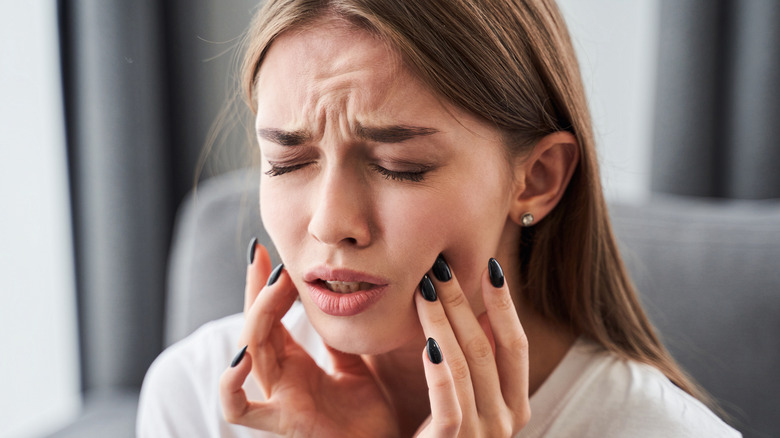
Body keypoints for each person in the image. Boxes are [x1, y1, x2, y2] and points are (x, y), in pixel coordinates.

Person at [137, 0, 741, 436]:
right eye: (288, 160)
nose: (330, 223)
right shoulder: (195, 398)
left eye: (400, 166)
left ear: (537, 179)